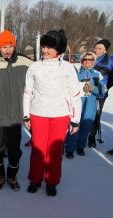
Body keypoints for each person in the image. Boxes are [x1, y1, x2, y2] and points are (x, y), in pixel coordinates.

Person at [23, 29, 82, 196]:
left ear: (59, 49)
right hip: (38, 113)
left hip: (60, 115)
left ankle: (51, 181)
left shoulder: (68, 69)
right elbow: (28, 92)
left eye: (49, 47)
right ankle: (35, 179)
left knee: (54, 152)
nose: (45, 50)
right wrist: (26, 114)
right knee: (38, 149)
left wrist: (75, 119)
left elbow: (75, 95)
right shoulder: (34, 67)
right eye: (44, 46)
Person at [0, 30, 33, 192]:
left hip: (17, 116)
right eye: (4, 47)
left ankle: (12, 175)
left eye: (10, 46)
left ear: (14, 46)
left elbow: (36, 80)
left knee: (14, 149)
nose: (7, 50)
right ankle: (0, 175)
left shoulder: (26, 63)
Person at [65, 51, 106, 159]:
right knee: (74, 125)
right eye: (85, 59)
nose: (88, 61)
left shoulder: (98, 74)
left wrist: (93, 88)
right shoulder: (75, 73)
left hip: (91, 104)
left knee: (86, 126)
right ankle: (70, 148)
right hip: (77, 104)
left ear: (94, 61)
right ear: (81, 60)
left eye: (90, 59)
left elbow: (103, 91)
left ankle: (80, 146)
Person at [87, 39, 113, 152]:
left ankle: (91, 137)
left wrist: (106, 87)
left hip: (100, 94)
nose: (96, 50)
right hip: (86, 91)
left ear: (105, 50)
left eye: (100, 48)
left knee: (96, 115)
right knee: (84, 113)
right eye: (96, 48)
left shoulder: (110, 60)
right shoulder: (89, 57)